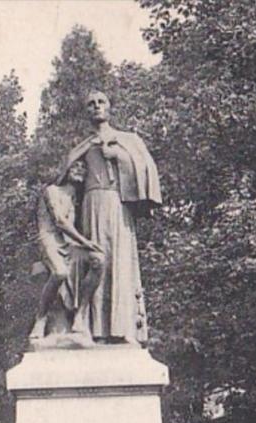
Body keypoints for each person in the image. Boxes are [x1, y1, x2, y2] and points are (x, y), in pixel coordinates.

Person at [58, 90, 162, 345]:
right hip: (92, 206)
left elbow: (147, 169)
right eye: (91, 104)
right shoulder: (83, 145)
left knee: (119, 261)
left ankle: (122, 328)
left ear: (109, 107)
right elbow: (64, 175)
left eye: (101, 102)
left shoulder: (127, 139)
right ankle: (95, 330)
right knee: (96, 262)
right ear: (86, 111)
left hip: (117, 204)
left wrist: (119, 156)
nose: (96, 107)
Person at [29, 159, 104, 341]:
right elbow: (60, 221)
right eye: (75, 167)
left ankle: (81, 314)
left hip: (69, 244)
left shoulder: (76, 200)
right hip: (50, 239)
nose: (79, 170)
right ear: (66, 170)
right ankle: (41, 317)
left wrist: (84, 245)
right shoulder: (52, 190)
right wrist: (85, 242)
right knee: (60, 273)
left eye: (83, 168)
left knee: (98, 260)